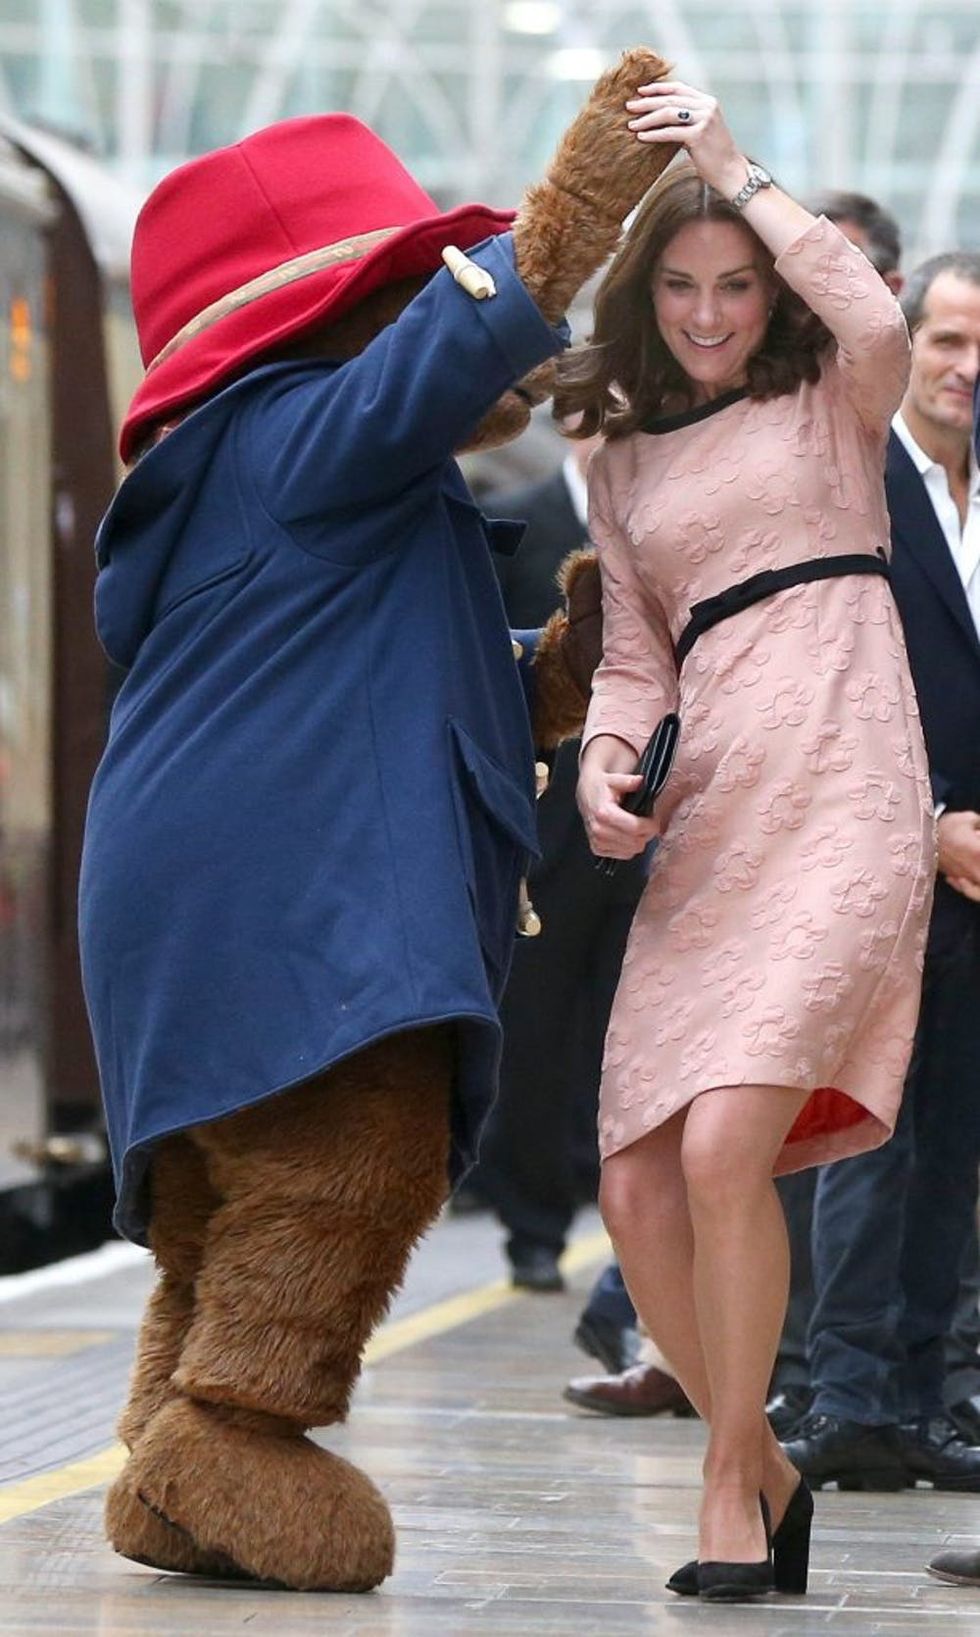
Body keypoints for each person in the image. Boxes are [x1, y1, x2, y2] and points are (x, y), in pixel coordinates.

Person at [76, 52, 679, 1592]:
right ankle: (237, 1431)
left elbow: (417, 680)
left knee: (237, 1199)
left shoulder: (295, 486)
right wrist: (582, 204)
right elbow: (441, 354)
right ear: (319, 314)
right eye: (397, 285)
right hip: (289, 897)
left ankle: (169, 1447)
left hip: (217, 891)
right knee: (360, 1152)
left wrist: (561, 666)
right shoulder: (296, 430)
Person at [557, 76, 933, 1602]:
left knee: (728, 1146)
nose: (712, 315)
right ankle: (767, 1471)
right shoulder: (625, 454)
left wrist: (732, 169)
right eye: (683, 288)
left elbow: (878, 320)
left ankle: (730, 1473)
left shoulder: (836, 398)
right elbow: (638, 655)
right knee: (637, 1179)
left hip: (848, 779)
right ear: (646, 297)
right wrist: (596, 764)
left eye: (735, 286)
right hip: (711, 807)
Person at [781, 250, 980, 1493]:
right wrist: (932, 821)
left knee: (955, 1141)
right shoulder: (851, 486)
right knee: (867, 1130)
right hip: (881, 858)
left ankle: (923, 1399)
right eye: (949, 340)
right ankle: (845, 1390)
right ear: (902, 343)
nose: (968, 370)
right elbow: (823, 687)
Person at [468, 433, 648, 1293]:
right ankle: (533, 1225)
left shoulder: (675, 524)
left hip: (652, 822)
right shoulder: (524, 520)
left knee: (638, 1034)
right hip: (545, 822)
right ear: (576, 425)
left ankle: (634, 1230)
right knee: (533, 1028)